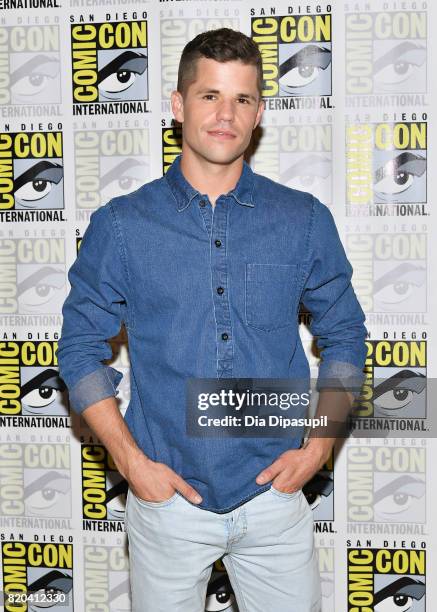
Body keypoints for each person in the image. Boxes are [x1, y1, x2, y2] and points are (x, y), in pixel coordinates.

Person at [58, 28, 367, 612]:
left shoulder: (301, 219)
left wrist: (319, 447)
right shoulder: (122, 226)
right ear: (178, 105)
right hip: (166, 500)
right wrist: (132, 465)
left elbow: (346, 334)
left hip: (275, 497)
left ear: (258, 114)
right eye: (209, 96)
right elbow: (78, 349)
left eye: (243, 99)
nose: (226, 115)